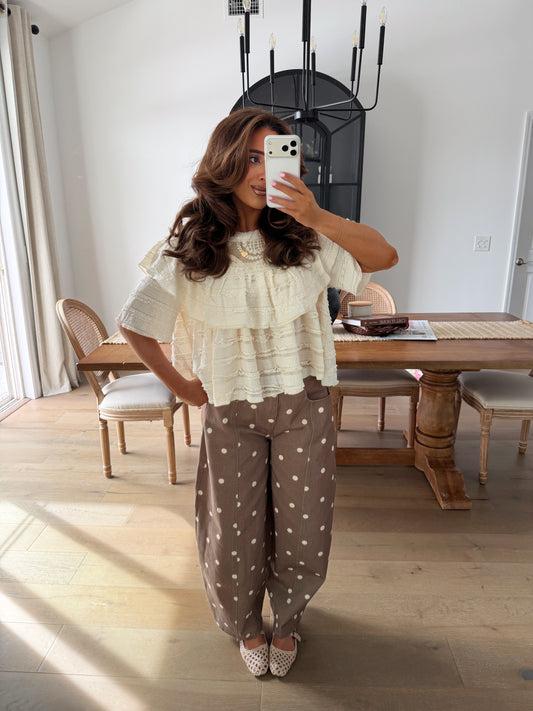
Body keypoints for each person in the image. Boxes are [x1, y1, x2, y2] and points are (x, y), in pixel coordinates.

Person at [117, 108, 398, 677]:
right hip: (231, 409)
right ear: (224, 162)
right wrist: (183, 387)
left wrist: (315, 213)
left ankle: (288, 620)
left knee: (304, 524)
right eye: (250, 157)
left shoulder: (306, 236)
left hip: (305, 404)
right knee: (233, 529)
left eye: (273, 156)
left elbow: (383, 257)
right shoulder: (194, 244)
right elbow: (135, 323)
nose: (263, 171)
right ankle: (245, 623)